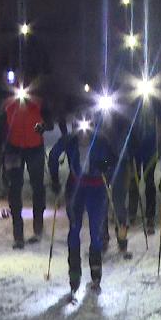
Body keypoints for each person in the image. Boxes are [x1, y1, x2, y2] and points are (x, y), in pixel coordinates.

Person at [48, 111, 116, 293]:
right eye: (80, 129)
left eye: (87, 129)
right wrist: (54, 179)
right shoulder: (69, 140)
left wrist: (106, 167)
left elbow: (113, 158)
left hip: (96, 188)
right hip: (76, 187)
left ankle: (96, 274)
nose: (83, 134)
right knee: (74, 228)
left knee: (96, 231)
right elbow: (53, 155)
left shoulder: (101, 140)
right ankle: (74, 273)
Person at [0, 86, 52, 248]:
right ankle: (18, 235)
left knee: (38, 187)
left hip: (35, 148)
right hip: (14, 149)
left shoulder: (39, 104)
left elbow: (50, 122)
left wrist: (43, 126)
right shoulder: (8, 105)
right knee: (14, 189)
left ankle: (38, 228)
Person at [125, 88, 161, 236]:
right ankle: (132, 212)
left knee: (149, 182)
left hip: (150, 149)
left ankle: (150, 216)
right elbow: (125, 120)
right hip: (135, 149)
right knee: (133, 180)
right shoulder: (133, 101)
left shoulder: (156, 102)